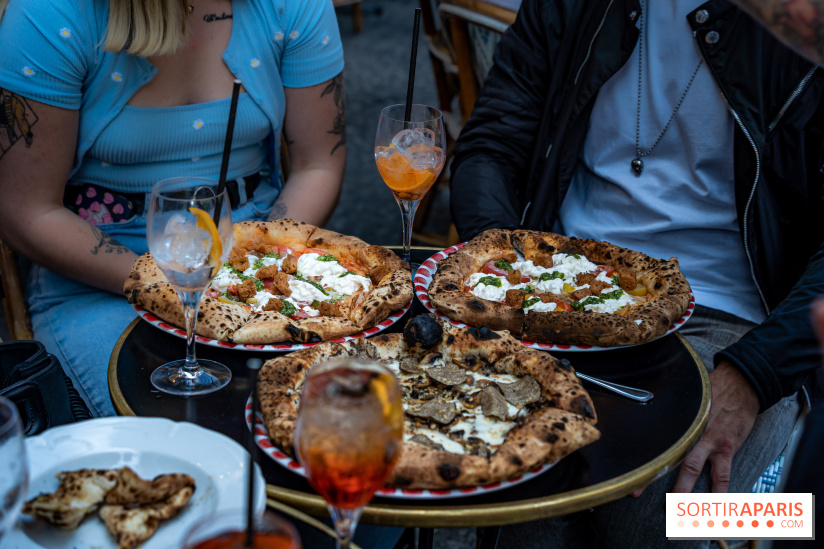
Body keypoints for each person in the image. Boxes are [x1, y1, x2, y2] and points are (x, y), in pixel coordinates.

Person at [449, 0, 823, 547]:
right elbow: (491, 142)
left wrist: (757, 374)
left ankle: (785, 510)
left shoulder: (801, 18)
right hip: (559, 285)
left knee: (661, 525)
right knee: (531, 497)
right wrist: (507, 273)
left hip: (737, 320)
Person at [0, 0, 346, 417]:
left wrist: (255, 270)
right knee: (180, 434)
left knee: (332, 417)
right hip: (102, 274)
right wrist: (172, 289)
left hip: (257, 254)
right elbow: (26, 211)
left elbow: (318, 163)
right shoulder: (53, 12)